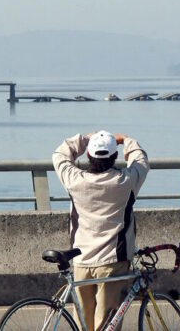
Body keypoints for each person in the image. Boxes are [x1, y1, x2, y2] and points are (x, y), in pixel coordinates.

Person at [53, 130, 149, 331]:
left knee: (83, 325)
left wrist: (85, 139)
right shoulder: (125, 182)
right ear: (115, 156)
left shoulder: (74, 180)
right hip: (113, 262)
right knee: (106, 326)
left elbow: (60, 156)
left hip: (81, 259)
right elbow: (141, 160)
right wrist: (126, 140)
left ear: (88, 155)